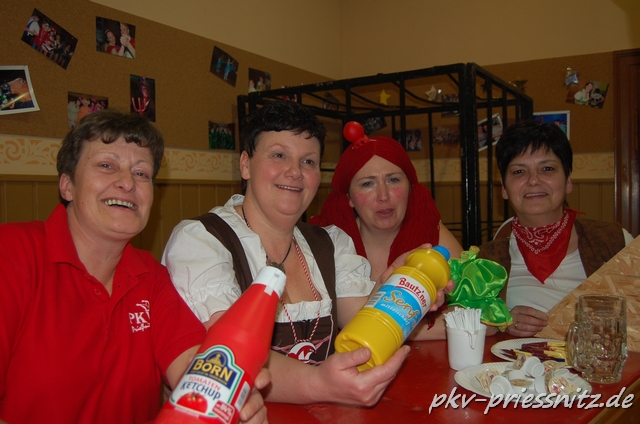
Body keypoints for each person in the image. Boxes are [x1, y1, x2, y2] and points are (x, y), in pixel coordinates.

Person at [162, 100, 453, 406]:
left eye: (308, 161)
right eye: (279, 155)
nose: (295, 172)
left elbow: (365, 321)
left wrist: (396, 291)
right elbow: (227, 354)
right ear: (245, 164)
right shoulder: (202, 240)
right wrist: (320, 384)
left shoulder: (329, 243)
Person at [0, 110, 268, 424]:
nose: (127, 183)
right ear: (67, 185)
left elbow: (193, 368)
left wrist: (227, 397)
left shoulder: (151, 277)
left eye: (141, 173)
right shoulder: (12, 253)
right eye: (106, 165)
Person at [478, 121, 634, 337]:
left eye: (547, 169)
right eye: (519, 171)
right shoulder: (488, 260)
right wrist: (500, 323)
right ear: (504, 188)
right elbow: (466, 324)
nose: (533, 180)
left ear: (568, 180)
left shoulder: (615, 242)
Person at [309, 121, 463, 338]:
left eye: (393, 180)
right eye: (367, 184)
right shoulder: (328, 243)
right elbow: (355, 324)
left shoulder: (431, 233)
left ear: (410, 188)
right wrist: (427, 327)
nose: (383, 195)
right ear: (349, 198)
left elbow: (476, 315)